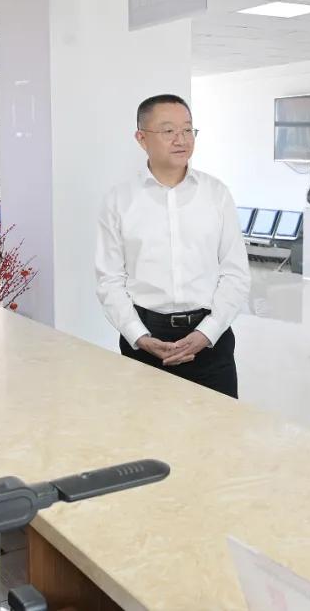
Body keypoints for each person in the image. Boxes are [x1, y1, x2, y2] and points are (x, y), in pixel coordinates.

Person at [95, 94, 250, 398]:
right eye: (168, 131)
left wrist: (207, 332)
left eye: (188, 129)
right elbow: (108, 279)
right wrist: (139, 336)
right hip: (146, 339)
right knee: (148, 426)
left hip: (211, 339)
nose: (181, 139)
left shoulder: (216, 194)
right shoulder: (119, 200)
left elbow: (236, 274)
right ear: (142, 138)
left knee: (219, 426)